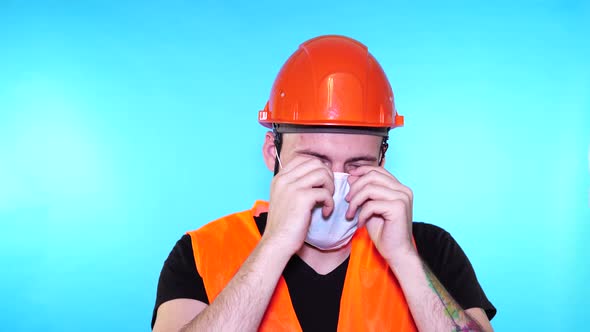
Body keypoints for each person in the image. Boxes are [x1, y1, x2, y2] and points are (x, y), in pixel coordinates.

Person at [151, 35, 496, 331]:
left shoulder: (431, 249)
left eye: (356, 164)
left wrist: (404, 257)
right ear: (273, 152)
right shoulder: (201, 252)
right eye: (315, 161)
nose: (333, 183)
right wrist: (274, 246)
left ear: (382, 162)